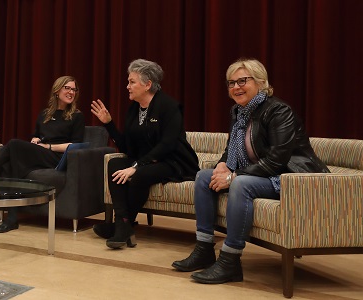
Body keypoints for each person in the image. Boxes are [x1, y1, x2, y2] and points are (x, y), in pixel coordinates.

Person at [171, 58, 330, 284]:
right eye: (231, 83)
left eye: (242, 81)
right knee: (203, 176)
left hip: (292, 178)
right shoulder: (239, 111)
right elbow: (231, 149)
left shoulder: (279, 111)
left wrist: (234, 176)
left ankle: (230, 261)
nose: (236, 87)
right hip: (264, 174)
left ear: (261, 82)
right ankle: (204, 249)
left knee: (241, 184)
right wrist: (223, 165)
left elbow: (277, 159)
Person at [90, 59, 200, 249]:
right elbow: (127, 147)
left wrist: (136, 167)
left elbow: (168, 144)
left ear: (148, 84)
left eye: (132, 82)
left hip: (172, 161)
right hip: (145, 160)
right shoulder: (134, 108)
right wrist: (109, 123)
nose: (127, 87)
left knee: (139, 175)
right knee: (114, 164)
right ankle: (124, 224)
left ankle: (120, 225)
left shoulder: (169, 106)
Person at [0, 75, 85, 233]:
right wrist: (35, 140)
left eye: (74, 89)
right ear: (57, 91)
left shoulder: (76, 116)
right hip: (41, 152)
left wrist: (48, 146)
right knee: (12, 163)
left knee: (14, 144)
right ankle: (12, 218)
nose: (71, 92)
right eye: (67, 88)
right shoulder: (45, 114)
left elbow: (75, 145)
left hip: (57, 157)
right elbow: (36, 135)